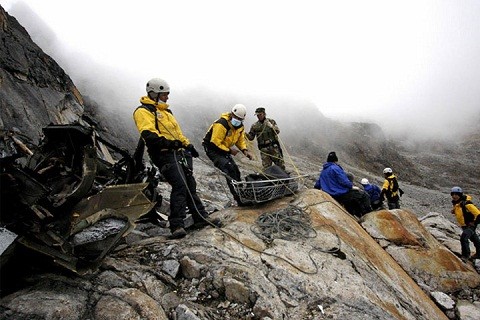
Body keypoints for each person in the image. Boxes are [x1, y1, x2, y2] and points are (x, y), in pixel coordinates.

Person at [133, 78, 220, 239]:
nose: (167, 97)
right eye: (165, 94)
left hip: (176, 152)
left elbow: (177, 133)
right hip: (163, 153)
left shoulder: (167, 112)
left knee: (189, 183)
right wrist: (170, 143)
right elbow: (149, 135)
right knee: (180, 185)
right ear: (154, 94)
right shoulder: (143, 111)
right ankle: (177, 225)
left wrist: (188, 145)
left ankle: (200, 217)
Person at [203, 104, 254, 206]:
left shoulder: (239, 127)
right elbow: (215, 142)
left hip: (224, 149)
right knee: (228, 168)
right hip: (213, 149)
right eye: (236, 118)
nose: (237, 120)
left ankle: (242, 195)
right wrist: (230, 151)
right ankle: (239, 199)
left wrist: (245, 150)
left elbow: (240, 140)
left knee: (236, 170)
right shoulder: (221, 124)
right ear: (232, 115)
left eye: (240, 119)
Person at [314, 151, 372, 217]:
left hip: (330, 194)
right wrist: (351, 186)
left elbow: (318, 184)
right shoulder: (335, 168)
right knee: (364, 195)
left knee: (350, 201)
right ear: (335, 160)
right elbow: (344, 181)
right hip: (339, 194)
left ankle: (353, 214)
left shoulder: (323, 171)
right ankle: (368, 215)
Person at [450, 186, 480, 262]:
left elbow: (478, 214)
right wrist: (454, 211)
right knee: (474, 238)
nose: (454, 196)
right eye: (452, 194)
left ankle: (465, 256)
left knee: (464, 238)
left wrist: (474, 223)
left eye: (456, 194)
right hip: (464, 225)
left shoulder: (467, 204)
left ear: (460, 195)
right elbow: (459, 211)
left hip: (470, 225)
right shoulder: (457, 203)